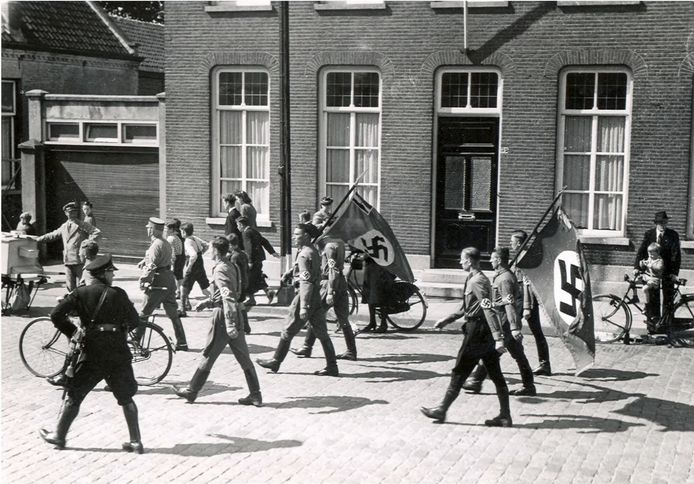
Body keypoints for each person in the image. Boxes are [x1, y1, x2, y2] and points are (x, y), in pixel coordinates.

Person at [40, 254, 144, 453]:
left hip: (93, 352)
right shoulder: (118, 294)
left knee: (74, 394)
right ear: (103, 274)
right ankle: (136, 441)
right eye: (111, 272)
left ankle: (59, 437)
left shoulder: (80, 293)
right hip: (118, 353)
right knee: (126, 398)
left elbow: (56, 315)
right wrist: (119, 329)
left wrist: (73, 332)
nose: (113, 275)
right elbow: (135, 321)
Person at [421, 247, 511, 427]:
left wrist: (498, 337)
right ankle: (505, 416)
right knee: (495, 373)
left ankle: (441, 409)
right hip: (481, 331)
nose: (459, 262)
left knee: (460, 370)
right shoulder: (473, 278)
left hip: (477, 332)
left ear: (469, 261)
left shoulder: (478, 281)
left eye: (462, 259)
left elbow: (488, 308)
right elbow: (467, 307)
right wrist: (448, 319)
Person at [173, 237, 263, 406]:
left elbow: (227, 295)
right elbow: (228, 293)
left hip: (223, 316)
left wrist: (229, 323)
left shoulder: (220, 269)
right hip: (234, 312)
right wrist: (208, 302)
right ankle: (256, 395)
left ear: (215, 251)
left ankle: (192, 391)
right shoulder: (231, 265)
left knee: (209, 354)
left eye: (212, 249)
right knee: (244, 357)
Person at [256, 224, 339, 377]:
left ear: (306, 236)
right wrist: (290, 271)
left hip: (304, 297)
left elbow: (305, 282)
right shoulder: (312, 251)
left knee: (288, 330)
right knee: (322, 332)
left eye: (297, 234)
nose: (294, 237)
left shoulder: (303, 255)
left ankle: (276, 361)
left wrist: (304, 307)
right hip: (316, 297)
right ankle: (332, 366)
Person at [461, 247, 536, 396]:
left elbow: (509, 303)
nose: (490, 261)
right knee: (517, 354)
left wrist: (514, 327)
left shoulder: (504, 279)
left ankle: (476, 381)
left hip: (504, 323)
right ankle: (529, 385)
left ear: (499, 260)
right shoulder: (502, 276)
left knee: (491, 352)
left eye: (493, 258)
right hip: (505, 322)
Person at [290, 237, 359, 361]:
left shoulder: (329, 246)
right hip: (341, 283)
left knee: (315, 312)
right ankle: (351, 350)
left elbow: (333, 269)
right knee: (343, 318)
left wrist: (330, 291)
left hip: (329, 283)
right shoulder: (340, 242)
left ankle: (307, 346)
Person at [138, 217, 188, 351]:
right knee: (173, 313)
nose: (147, 230)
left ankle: (136, 341)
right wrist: (145, 260)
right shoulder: (165, 243)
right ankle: (182, 342)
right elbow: (167, 259)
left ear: (154, 230)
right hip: (169, 279)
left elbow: (151, 266)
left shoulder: (155, 245)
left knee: (144, 312)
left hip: (158, 281)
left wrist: (144, 281)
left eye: (149, 228)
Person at [511, 229, 551, 376]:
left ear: (520, 243)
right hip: (521, 297)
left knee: (510, 328)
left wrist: (527, 306)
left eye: (513, 242)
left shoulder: (524, 258)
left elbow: (527, 283)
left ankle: (487, 366)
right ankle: (545, 364)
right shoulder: (520, 256)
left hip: (525, 298)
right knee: (536, 331)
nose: (511, 244)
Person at [36, 202, 101, 292]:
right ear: (66, 213)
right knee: (70, 287)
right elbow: (52, 235)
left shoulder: (82, 225)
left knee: (81, 287)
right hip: (67, 260)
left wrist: (87, 244)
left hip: (79, 261)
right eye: (70, 212)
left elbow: (96, 232)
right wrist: (37, 239)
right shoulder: (64, 226)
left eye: (74, 212)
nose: (72, 214)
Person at [634, 211, 681, 334]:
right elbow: (642, 251)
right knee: (653, 299)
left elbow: (676, 255)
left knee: (668, 299)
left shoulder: (673, 235)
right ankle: (653, 327)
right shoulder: (649, 234)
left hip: (667, 272)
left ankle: (666, 327)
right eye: (660, 223)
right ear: (656, 223)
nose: (662, 225)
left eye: (664, 222)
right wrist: (636, 267)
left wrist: (674, 273)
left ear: (667, 223)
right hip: (651, 273)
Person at [237, 216, 277, 306]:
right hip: (259, 259)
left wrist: (250, 261)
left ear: (241, 225)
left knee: (248, 279)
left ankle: (252, 299)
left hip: (253, 260)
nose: (237, 227)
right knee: (258, 277)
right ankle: (269, 292)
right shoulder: (254, 231)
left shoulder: (246, 233)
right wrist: (272, 252)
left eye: (238, 225)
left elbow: (249, 247)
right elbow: (264, 241)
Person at [358, 254, 395, 334]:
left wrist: (364, 256)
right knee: (369, 295)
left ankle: (383, 324)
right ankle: (372, 322)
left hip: (379, 270)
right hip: (371, 269)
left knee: (380, 296)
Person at [181, 222, 212, 312]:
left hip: (193, 265)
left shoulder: (187, 242)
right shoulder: (195, 238)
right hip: (200, 264)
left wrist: (189, 266)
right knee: (204, 288)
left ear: (184, 232)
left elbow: (193, 255)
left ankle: (183, 308)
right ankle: (214, 299)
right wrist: (201, 252)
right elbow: (206, 245)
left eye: (181, 231)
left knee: (184, 287)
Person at [638, 242, 665, 332]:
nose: (651, 256)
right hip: (648, 277)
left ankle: (646, 306)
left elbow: (659, 268)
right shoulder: (650, 258)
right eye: (649, 253)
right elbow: (645, 265)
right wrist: (642, 263)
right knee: (633, 281)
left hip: (654, 279)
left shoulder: (660, 260)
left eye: (653, 254)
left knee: (645, 289)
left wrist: (651, 265)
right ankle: (635, 297)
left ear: (658, 253)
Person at [166, 221, 185, 312]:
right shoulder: (177, 237)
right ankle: (180, 292)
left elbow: (172, 251)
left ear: (172, 229)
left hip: (175, 258)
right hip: (180, 257)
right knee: (179, 276)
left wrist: (172, 262)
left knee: (172, 277)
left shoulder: (170, 238)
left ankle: (173, 293)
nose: (166, 230)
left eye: (168, 229)